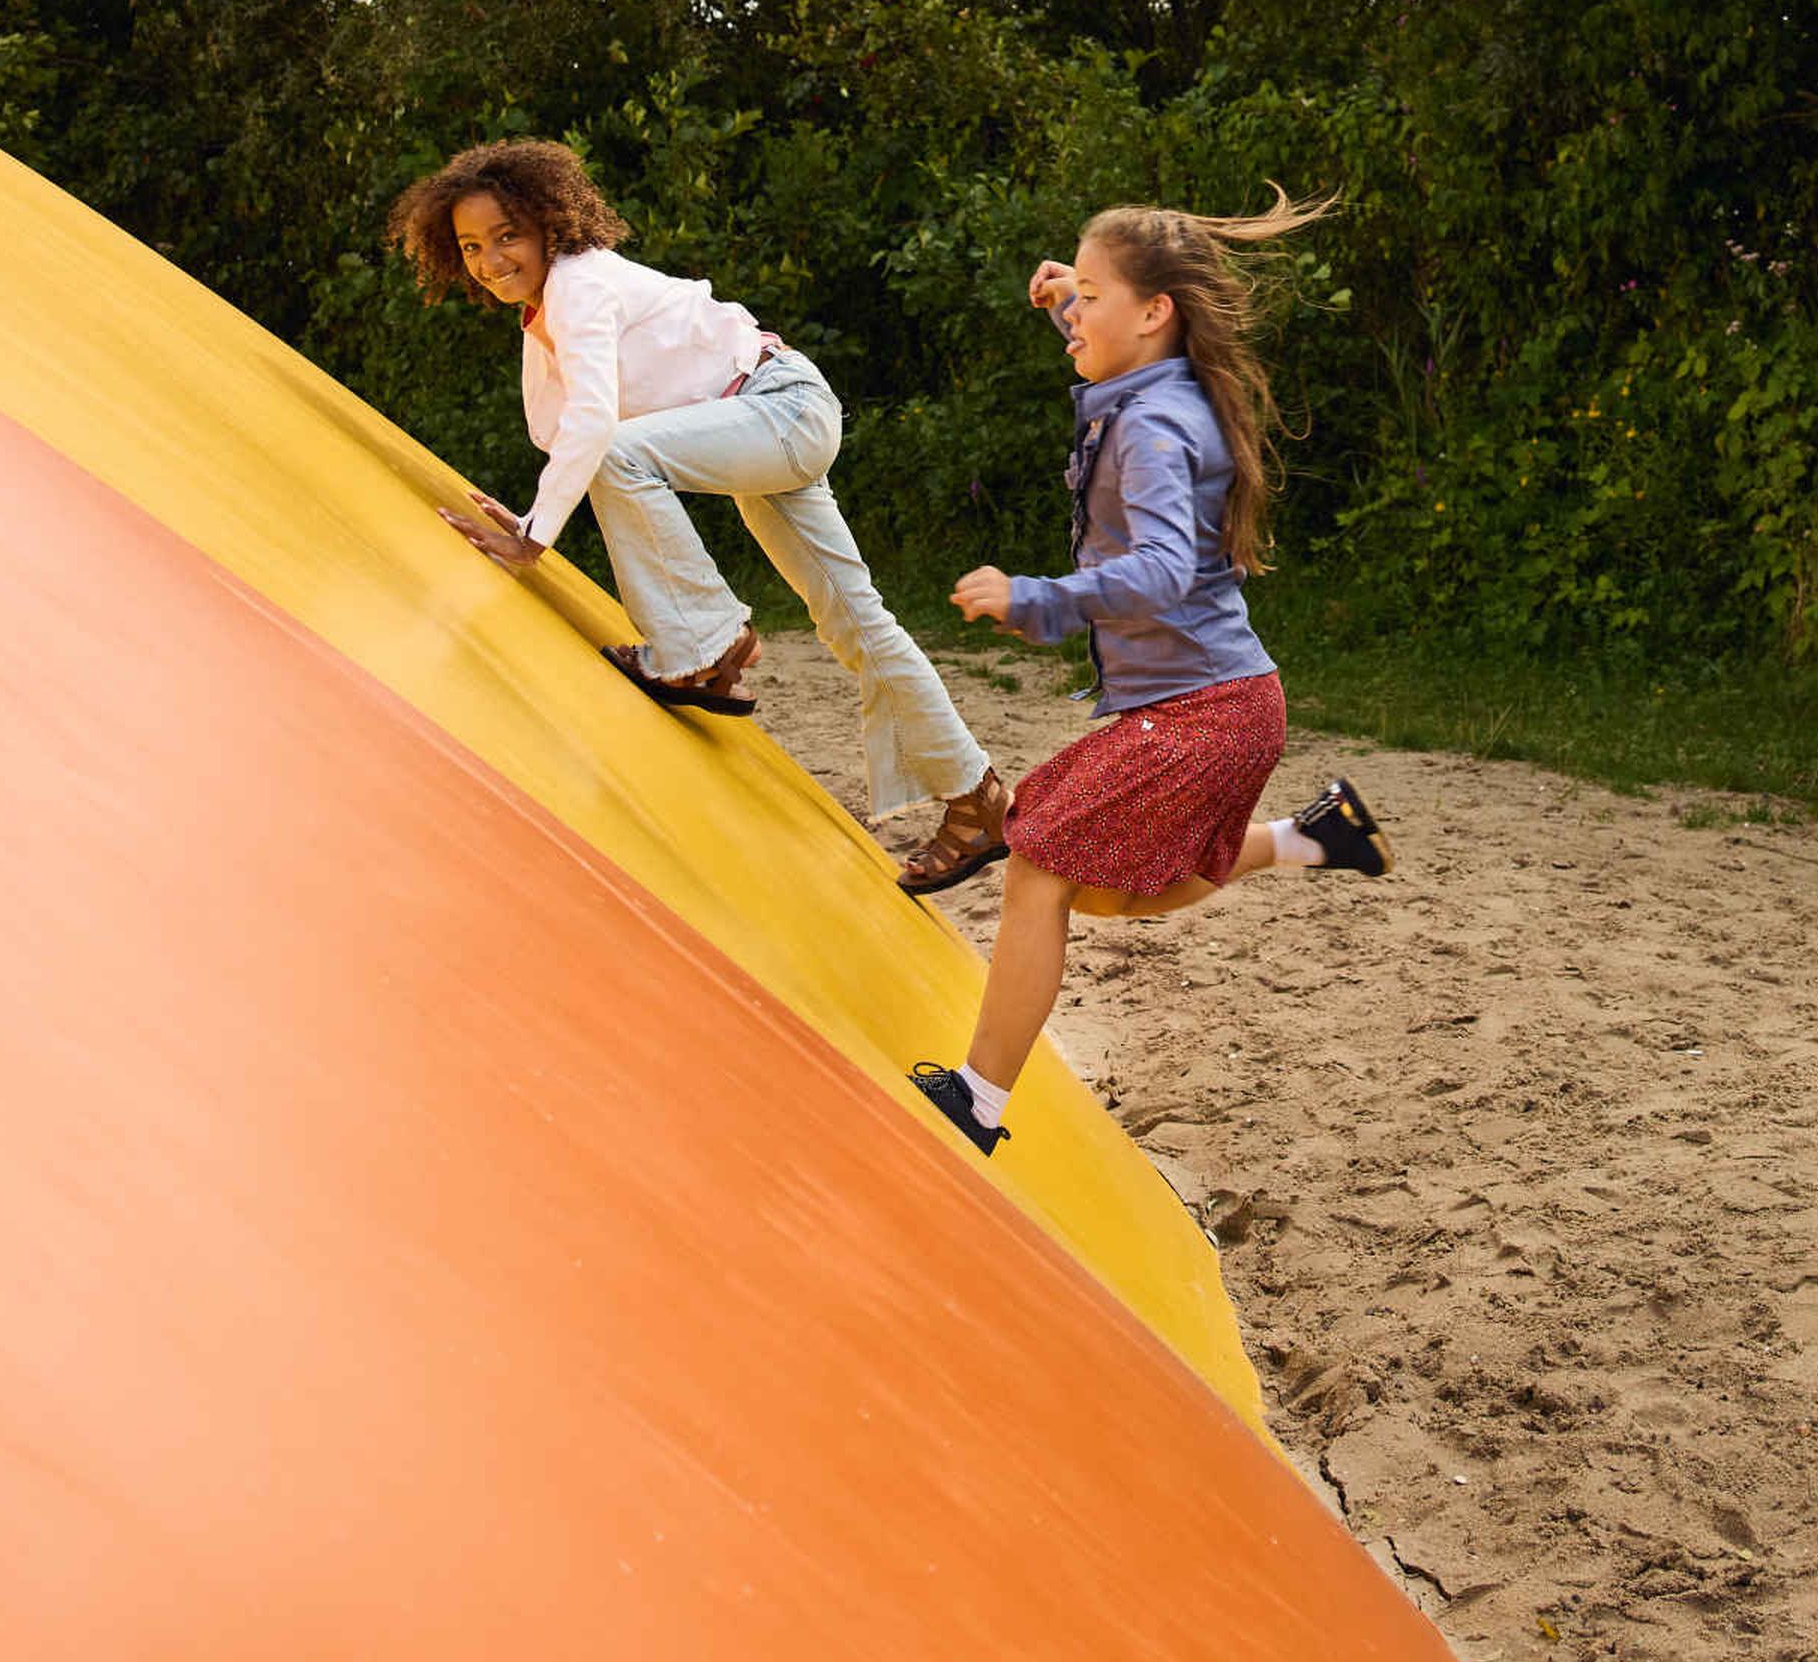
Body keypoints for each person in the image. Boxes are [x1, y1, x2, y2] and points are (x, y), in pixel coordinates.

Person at [898, 193, 1395, 1158]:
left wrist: (1036, 598)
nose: (1073, 315)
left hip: (1206, 711)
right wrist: (1066, 301)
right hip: (1222, 704)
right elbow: (1111, 354)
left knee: (1038, 856)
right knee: (1122, 891)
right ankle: (1313, 839)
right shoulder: (1158, 392)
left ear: (1155, 310)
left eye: (1090, 296)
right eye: (1071, 295)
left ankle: (976, 1103)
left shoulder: (1154, 428)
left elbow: (1165, 570)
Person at [388, 139, 1011, 872]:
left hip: (778, 408)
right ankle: (977, 800)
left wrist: (535, 536)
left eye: (506, 236)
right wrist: (533, 512)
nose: (491, 259)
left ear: (548, 225)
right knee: (856, 622)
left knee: (618, 451)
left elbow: (595, 430)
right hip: (766, 419)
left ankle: (701, 649)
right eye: (470, 246)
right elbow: (560, 432)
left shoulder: (579, 286)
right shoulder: (544, 314)